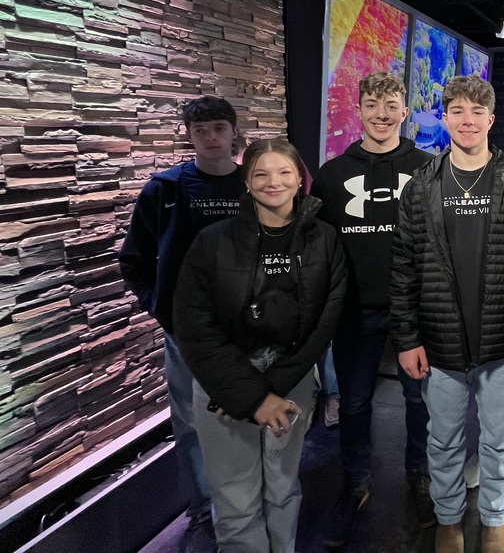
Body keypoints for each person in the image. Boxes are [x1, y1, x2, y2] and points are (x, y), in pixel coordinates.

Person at [390, 75, 504, 553]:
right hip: (439, 340)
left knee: (501, 440)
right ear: (445, 118)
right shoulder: (422, 185)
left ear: (492, 120)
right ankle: (448, 518)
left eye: (477, 112)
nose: (467, 120)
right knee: (443, 441)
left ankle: (495, 517)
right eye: (457, 110)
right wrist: (407, 337)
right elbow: (403, 265)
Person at [173, 138, 346, 553]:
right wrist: (251, 396)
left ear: (299, 179)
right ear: (247, 181)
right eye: (261, 173)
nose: (274, 182)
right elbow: (195, 326)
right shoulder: (212, 242)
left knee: (284, 487)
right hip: (225, 379)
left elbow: (326, 320)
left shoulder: (323, 239)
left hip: (292, 374)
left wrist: (278, 385)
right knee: (235, 498)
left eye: (284, 172)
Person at [310, 71, 434, 542]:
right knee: (355, 402)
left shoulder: (427, 168)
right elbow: (318, 244)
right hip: (355, 310)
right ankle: (355, 483)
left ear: (405, 111)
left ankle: (419, 475)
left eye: (391, 105)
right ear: (358, 111)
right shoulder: (333, 174)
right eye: (372, 104)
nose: (382, 114)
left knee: (419, 400)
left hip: (416, 309)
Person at [118, 95, 244, 547]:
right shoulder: (164, 190)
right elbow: (134, 260)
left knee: (246, 415)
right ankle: (203, 510)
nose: (211, 138)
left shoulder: (255, 184)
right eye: (200, 130)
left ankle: (243, 502)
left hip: (248, 329)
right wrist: (162, 309)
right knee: (190, 424)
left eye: (218, 128)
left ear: (234, 132)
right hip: (185, 333)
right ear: (188, 135)